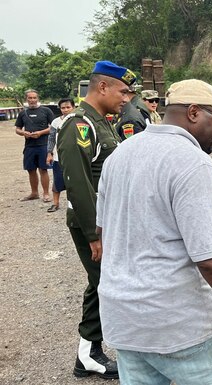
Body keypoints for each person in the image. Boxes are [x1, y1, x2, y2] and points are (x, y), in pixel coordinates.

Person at [96, 79, 212, 385]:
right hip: (180, 325)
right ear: (193, 113)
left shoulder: (120, 156)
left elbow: (103, 230)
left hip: (123, 321)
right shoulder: (192, 161)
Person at [57, 60, 136, 379]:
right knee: (108, 283)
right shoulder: (78, 124)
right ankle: (92, 352)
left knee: (100, 283)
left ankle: (87, 354)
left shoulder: (102, 121)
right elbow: (78, 184)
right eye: (123, 90)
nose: (127, 98)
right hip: (94, 223)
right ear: (103, 87)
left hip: (107, 221)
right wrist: (95, 234)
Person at [14, 89, 55, 202]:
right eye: (30, 98)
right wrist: (23, 133)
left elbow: (53, 127)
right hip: (29, 146)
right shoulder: (23, 113)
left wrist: (40, 133)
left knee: (43, 169)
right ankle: (34, 193)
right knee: (31, 170)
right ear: (26, 99)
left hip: (43, 145)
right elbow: (17, 129)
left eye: (34, 98)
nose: (32, 100)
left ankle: (46, 194)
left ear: (38, 99)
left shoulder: (46, 111)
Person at [45, 97, 75, 212]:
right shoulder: (56, 122)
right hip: (59, 158)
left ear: (73, 107)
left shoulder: (79, 121)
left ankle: (73, 205)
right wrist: (49, 153)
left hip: (74, 158)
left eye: (68, 107)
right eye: (63, 108)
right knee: (57, 181)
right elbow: (51, 139)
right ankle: (55, 203)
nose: (66, 110)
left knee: (73, 182)